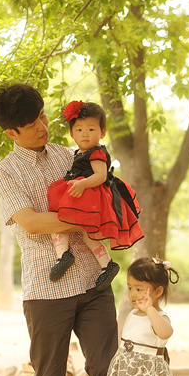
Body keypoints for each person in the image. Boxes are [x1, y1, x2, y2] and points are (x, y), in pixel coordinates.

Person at [0, 83, 131, 376]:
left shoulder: (72, 156)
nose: (43, 126)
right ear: (11, 132)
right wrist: (85, 217)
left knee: (107, 372)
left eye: (43, 117)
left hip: (93, 283)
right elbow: (32, 223)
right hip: (45, 289)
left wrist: (88, 212)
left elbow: (102, 195)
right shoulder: (5, 173)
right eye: (32, 124)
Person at [45, 100, 143, 292]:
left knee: (62, 222)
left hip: (90, 193)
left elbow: (101, 175)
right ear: (72, 134)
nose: (85, 134)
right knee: (80, 230)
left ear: (102, 132)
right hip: (83, 191)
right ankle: (101, 263)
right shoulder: (80, 152)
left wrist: (82, 184)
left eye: (91, 129)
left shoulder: (96, 152)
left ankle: (66, 256)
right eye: (79, 130)